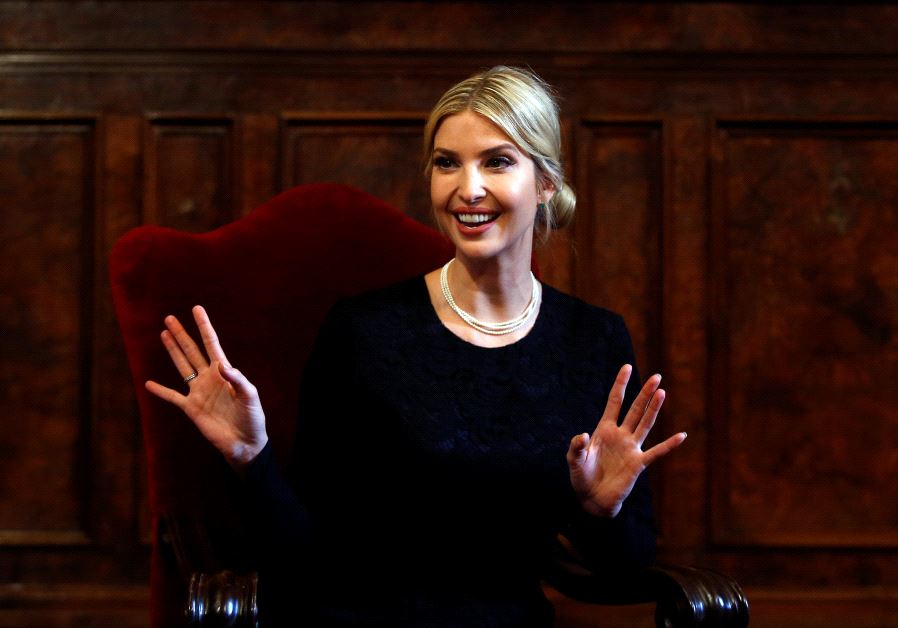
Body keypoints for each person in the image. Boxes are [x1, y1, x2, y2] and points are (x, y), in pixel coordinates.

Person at [145, 66, 687, 626]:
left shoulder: (594, 338)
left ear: (545, 183)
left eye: (497, 162)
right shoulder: (363, 330)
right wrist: (251, 458)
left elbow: (626, 567)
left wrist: (599, 510)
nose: (467, 189)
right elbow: (303, 549)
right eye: (447, 163)